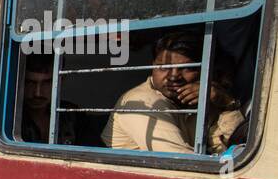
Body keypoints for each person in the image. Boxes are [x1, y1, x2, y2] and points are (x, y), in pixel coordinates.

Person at [103, 32, 245, 154]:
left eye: (186, 68)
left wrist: (227, 103)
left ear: (204, 70)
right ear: (152, 66)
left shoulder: (201, 96)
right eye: (163, 67)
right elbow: (182, 162)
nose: (173, 76)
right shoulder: (143, 102)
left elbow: (228, 147)